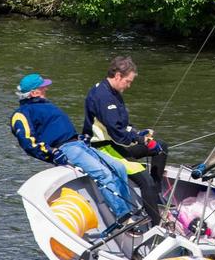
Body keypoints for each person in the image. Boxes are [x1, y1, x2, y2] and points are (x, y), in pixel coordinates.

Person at [11, 72, 135, 224]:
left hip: (79, 144)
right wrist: (51, 153)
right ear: (34, 92)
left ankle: (129, 209)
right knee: (104, 175)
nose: (46, 89)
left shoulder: (46, 105)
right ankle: (123, 217)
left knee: (119, 168)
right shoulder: (22, 114)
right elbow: (27, 142)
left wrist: (79, 137)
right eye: (43, 87)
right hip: (66, 148)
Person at [83, 56, 168, 227]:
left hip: (117, 144)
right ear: (117, 76)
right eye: (128, 81)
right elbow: (118, 136)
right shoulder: (104, 97)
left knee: (162, 147)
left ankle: (155, 197)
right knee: (146, 180)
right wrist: (142, 139)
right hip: (105, 149)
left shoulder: (114, 92)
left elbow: (122, 126)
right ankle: (156, 225)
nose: (129, 86)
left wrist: (138, 133)